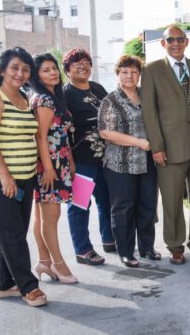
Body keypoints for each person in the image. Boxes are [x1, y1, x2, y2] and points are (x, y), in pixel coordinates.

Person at [0, 47, 47, 307]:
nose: (20, 73)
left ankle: (3, 284)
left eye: (25, 69)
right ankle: (29, 287)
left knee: (10, 233)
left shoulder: (25, 97)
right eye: (15, 67)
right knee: (13, 235)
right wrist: (5, 175)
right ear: (3, 69)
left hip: (24, 178)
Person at [142, 25, 190, 265]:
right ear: (163, 44)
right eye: (171, 40)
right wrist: (157, 146)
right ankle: (175, 245)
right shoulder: (152, 70)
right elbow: (149, 112)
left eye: (180, 39)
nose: (176, 43)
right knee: (172, 201)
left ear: (186, 42)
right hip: (169, 149)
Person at [98, 56, 160, 268]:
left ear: (139, 74)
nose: (129, 76)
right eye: (124, 72)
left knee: (148, 206)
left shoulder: (146, 95)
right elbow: (106, 132)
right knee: (123, 208)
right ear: (118, 74)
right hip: (120, 165)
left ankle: (147, 248)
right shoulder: (110, 100)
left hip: (147, 163)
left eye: (133, 72)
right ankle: (125, 251)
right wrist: (138, 142)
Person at [62, 48, 114, 265]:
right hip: (81, 160)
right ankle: (83, 249)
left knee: (106, 200)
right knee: (80, 205)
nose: (82, 66)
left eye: (86, 62)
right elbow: (62, 131)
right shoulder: (65, 94)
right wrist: (70, 162)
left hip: (105, 157)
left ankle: (109, 239)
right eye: (76, 63)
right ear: (67, 70)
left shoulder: (97, 88)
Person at [30, 53, 77, 284]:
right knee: (51, 216)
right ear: (37, 76)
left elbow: (59, 134)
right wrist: (48, 169)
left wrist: (71, 162)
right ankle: (58, 264)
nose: (53, 73)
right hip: (49, 165)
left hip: (58, 162)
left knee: (42, 216)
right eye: (46, 70)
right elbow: (40, 136)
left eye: (54, 68)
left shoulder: (49, 97)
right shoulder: (44, 100)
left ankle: (44, 261)